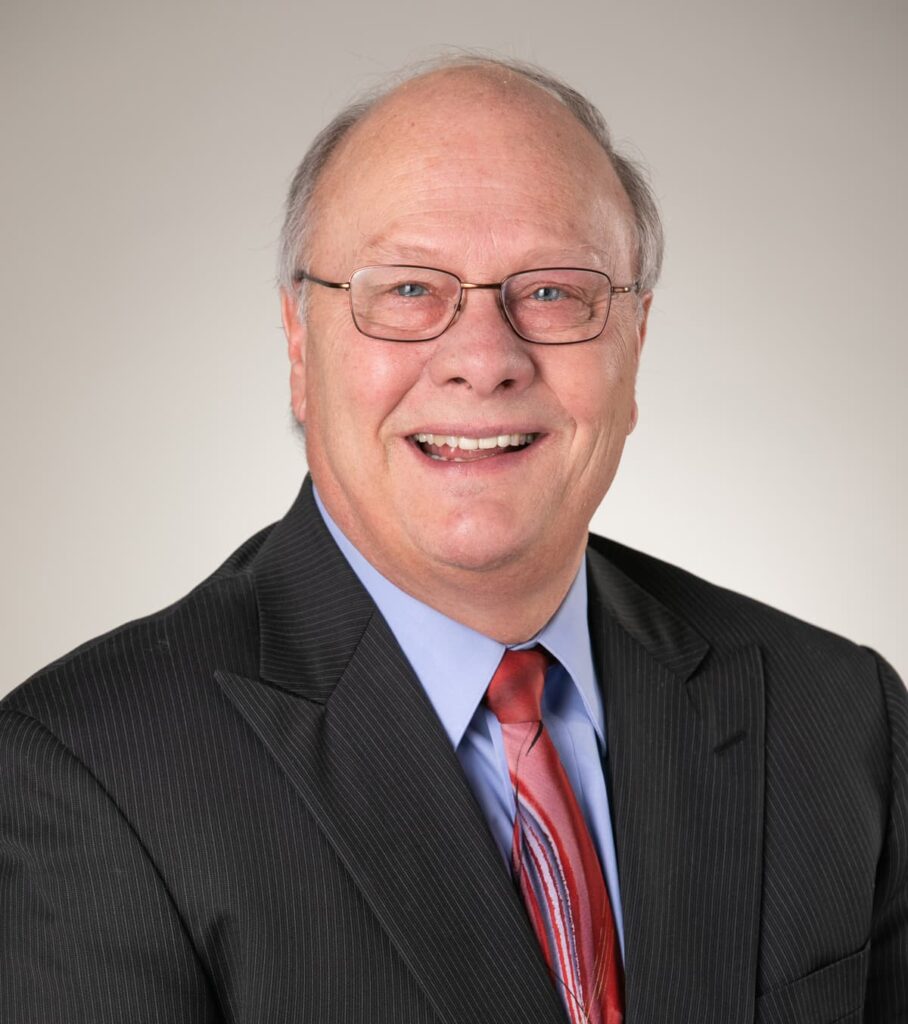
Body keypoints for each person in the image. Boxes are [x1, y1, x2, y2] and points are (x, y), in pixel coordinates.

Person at [2, 54, 905, 1024]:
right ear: (299, 345)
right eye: (406, 289)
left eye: (552, 291)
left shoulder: (839, 716)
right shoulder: (87, 774)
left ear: (635, 343)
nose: (483, 359)